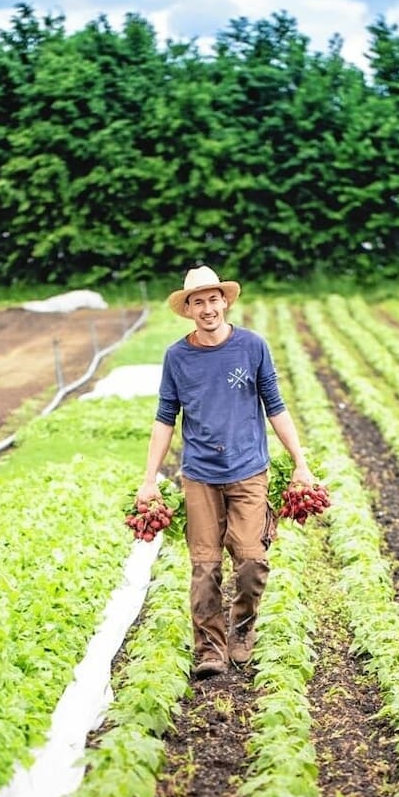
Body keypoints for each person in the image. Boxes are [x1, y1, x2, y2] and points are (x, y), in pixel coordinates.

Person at [134, 265, 315, 679]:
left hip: (249, 469)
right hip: (199, 474)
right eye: (198, 301)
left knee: (251, 561)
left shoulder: (252, 346)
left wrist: (301, 463)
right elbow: (165, 417)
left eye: (213, 299)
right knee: (205, 567)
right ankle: (210, 649)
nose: (207, 307)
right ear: (189, 310)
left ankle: (243, 629)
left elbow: (276, 405)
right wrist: (149, 479)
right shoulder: (177, 357)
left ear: (225, 301)